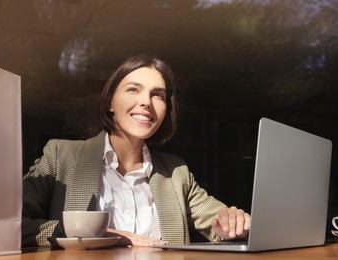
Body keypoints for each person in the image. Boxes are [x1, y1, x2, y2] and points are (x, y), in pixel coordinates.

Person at [22, 54, 251, 247]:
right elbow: (12, 224)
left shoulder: (176, 171)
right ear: (110, 102)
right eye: (133, 89)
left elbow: (220, 223)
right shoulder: (60, 156)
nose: (146, 102)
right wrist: (105, 236)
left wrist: (234, 222)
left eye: (157, 95)